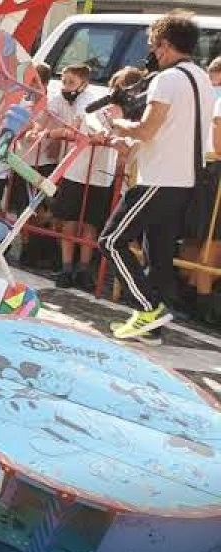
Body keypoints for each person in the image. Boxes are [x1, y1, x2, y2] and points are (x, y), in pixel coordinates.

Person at [93, 11, 214, 344]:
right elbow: (172, 131)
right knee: (157, 255)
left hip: (160, 178)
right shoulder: (202, 78)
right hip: (185, 180)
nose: (152, 53)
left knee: (111, 240)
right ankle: (151, 329)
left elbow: (147, 130)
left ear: (164, 44)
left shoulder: (168, 79)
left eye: (153, 45)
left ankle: (148, 308)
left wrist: (117, 124)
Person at [44, 64, 117, 291]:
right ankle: (67, 267)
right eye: (64, 81)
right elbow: (80, 124)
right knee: (70, 219)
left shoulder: (100, 103)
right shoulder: (88, 103)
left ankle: (82, 269)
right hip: (76, 170)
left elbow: (84, 125)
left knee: (90, 223)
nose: (66, 87)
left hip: (99, 173)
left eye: (71, 82)